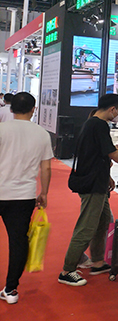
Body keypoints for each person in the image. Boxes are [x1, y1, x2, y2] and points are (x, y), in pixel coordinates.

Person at [60, 94, 118, 287]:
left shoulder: (92, 123)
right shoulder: (98, 125)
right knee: (87, 226)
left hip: (98, 181)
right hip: (92, 184)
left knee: (104, 221)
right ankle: (67, 270)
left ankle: (97, 262)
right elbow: (110, 152)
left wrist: (107, 177)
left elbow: (96, 155)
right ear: (112, 109)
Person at [0, 93, 53, 304]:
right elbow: (46, 167)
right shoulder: (42, 134)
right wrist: (44, 193)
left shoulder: (2, 129)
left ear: (11, 109)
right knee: (18, 241)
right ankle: (11, 289)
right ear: (33, 109)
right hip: (23, 196)